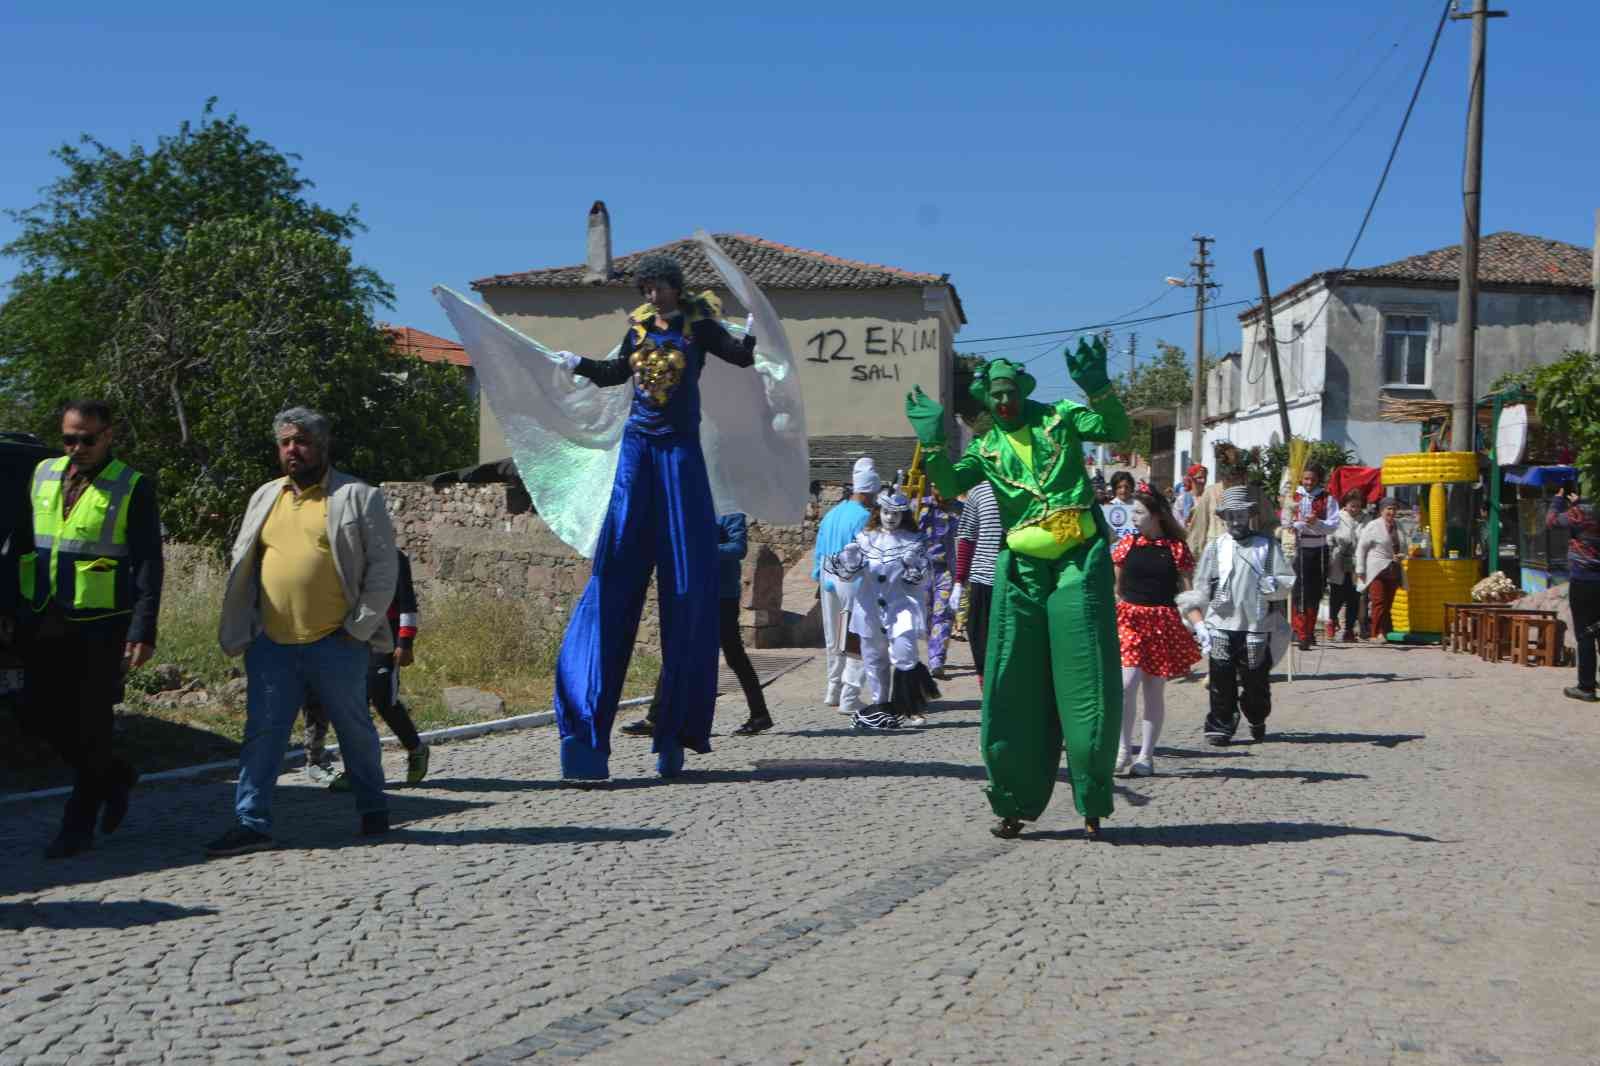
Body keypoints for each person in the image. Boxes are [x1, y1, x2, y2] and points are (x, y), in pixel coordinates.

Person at [904, 338, 1127, 842]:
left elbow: (1113, 429)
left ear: (1022, 390)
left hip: (1076, 561)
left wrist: (1098, 388)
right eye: (995, 395)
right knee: (1011, 683)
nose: (1003, 402)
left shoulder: (1062, 418)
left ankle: (1092, 798)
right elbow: (948, 485)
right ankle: (1013, 800)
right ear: (987, 399)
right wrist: (933, 441)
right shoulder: (985, 449)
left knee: (1085, 680)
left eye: (1010, 392)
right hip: (1022, 569)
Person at [550, 254, 761, 781]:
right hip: (638, 453)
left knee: (688, 587)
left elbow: (739, 357)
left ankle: (677, 734)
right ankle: (585, 740)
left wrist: (756, 334)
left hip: (680, 458)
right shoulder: (638, 331)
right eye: (647, 288)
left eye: (660, 287)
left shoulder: (698, 327)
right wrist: (576, 361)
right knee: (614, 573)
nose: (654, 296)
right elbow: (612, 375)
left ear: (675, 288)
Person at [210, 407, 397, 856]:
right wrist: (248, 626)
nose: (293, 450)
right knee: (263, 734)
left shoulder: (357, 496)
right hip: (272, 643)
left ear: (322, 445)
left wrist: (359, 628)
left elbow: (383, 570)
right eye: (285, 442)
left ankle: (373, 809)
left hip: (336, 641)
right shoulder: (265, 496)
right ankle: (251, 821)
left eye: (302, 441)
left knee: (354, 731)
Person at [0, 399, 163, 859]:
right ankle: (113, 775)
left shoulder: (131, 487)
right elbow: (20, 541)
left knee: (92, 725)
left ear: (108, 436)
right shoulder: (44, 473)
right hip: (42, 618)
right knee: (33, 713)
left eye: (87, 439)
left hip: (101, 625)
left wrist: (142, 628)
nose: (77, 448)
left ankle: (78, 824)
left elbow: (149, 561)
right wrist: (7, 603)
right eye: (69, 438)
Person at [623, 512, 775, 737]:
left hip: (722, 597)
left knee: (732, 656)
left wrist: (702, 548)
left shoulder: (730, 511)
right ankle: (656, 718)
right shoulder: (689, 503)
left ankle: (757, 715)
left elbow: (738, 548)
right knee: (681, 651)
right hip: (696, 593)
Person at [311, 548, 432, 789]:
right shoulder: (344, 556)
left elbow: (407, 603)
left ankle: (416, 749)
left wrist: (405, 642)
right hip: (352, 638)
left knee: (383, 698)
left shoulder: (395, 557)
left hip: (386, 638)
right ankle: (358, 771)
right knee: (353, 706)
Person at [824, 489, 938, 729]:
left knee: (905, 654)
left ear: (904, 515)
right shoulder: (865, 539)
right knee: (874, 658)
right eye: (886, 512)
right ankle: (881, 706)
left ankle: (910, 707)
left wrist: (912, 567)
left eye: (896, 514)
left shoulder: (913, 541)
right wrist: (852, 560)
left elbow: (922, 578)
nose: (890, 518)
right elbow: (846, 573)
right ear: (878, 512)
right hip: (869, 608)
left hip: (901, 607)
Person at [1193, 486, 1296, 746]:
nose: (1236, 521)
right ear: (1224, 518)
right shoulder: (1215, 547)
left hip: (1255, 623)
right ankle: (1220, 722)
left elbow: (1286, 580)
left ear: (1250, 514)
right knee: (1220, 677)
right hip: (1220, 622)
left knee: (1255, 680)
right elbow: (1202, 585)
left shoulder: (1267, 546)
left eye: (1240, 515)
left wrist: (1272, 586)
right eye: (1231, 516)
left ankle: (1256, 716)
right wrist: (1198, 620)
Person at [1112, 490, 1199, 777]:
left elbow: (1188, 595)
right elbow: (1115, 588)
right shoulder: (1127, 544)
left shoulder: (1177, 549)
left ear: (1157, 515)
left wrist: (1200, 624)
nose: (1134, 518)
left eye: (1139, 513)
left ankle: (1146, 756)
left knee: (1153, 691)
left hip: (1161, 622)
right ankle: (1123, 749)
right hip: (1130, 619)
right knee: (1126, 685)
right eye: (1132, 513)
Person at [813, 457, 878, 715]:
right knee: (854, 636)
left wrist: (819, 575)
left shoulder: (833, 513)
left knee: (833, 635)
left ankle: (832, 688)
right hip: (851, 579)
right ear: (870, 491)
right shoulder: (864, 517)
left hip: (828, 574)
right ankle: (849, 696)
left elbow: (818, 548)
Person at [1547, 486, 1599, 702]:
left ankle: (1586, 687)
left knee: (1586, 634)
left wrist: (1558, 500)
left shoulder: (1580, 512)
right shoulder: (1586, 510)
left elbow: (1551, 522)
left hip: (1584, 581)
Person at [1284, 463, 1340, 651]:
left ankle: (1308, 631)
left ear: (1318, 480)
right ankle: (1300, 632)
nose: (1309, 482)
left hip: (1319, 548)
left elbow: (1333, 525)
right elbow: (1285, 520)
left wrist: (1317, 523)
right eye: (1306, 479)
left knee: (1315, 593)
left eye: (1313, 479)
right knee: (1299, 592)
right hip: (1299, 549)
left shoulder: (1327, 498)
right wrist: (1295, 524)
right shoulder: (1294, 496)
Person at [954, 480, 1004, 688]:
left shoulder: (1026, 487)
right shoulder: (979, 491)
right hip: (983, 579)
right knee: (980, 640)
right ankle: (988, 689)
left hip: (1017, 581)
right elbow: (967, 537)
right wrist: (959, 580)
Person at [918, 486, 960, 679]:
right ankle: (932, 648)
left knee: (942, 614)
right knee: (926, 614)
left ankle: (937, 659)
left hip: (946, 570)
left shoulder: (959, 509)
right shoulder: (920, 505)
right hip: (923, 569)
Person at [1355, 497, 1404, 643]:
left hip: (1393, 570)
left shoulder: (1399, 526)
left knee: (1388, 603)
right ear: (1382, 510)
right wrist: (1360, 569)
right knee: (1378, 601)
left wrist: (1403, 554)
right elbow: (1361, 548)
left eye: (1394, 509)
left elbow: (1404, 544)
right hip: (1376, 569)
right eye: (1389, 509)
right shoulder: (1373, 526)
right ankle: (1376, 633)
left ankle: (1385, 631)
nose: (1392, 512)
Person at [1325, 490, 1367, 642]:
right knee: (1337, 594)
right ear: (1345, 505)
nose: (1355, 509)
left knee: (1354, 597)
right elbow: (1329, 537)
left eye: (1358, 506)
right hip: (1338, 560)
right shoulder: (1337, 517)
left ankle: (1348, 629)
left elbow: (1368, 538)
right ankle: (1331, 621)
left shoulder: (1366, 519)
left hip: (1357, 562)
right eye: (1352, 506)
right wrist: (1329, 557)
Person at [1100, 471, 1139, 541]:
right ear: (1114, 489)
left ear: (1132, 487)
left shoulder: (1139, 505)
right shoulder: (1109, 507)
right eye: (1119, 487)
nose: (1123, 490)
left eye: (1126, 487)